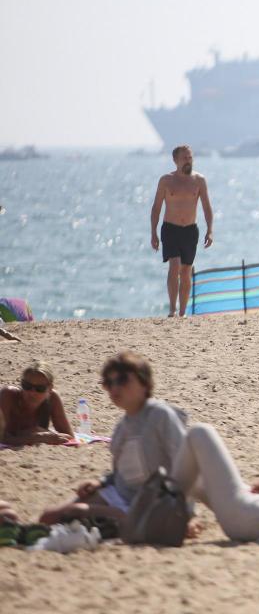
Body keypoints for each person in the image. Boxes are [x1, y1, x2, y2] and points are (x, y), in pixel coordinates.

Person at [40, 352, 190, 527]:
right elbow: (123, 474)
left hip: (150, 499)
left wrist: (187, 514)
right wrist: (101, 482)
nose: (114, 388)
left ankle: (127, 519)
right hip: (119, 493)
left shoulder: (160, 415)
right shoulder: (122, 427)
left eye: (122, 380)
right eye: (109, 383)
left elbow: (185, 467)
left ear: (145, 383)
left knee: (76, 513)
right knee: (48, 517)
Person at [150, 145, 214, 317]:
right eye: (185, 158)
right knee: (175, 264)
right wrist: (153, 232)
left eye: (190, 157)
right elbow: (156, 207)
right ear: (175, 160)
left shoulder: (199, 180)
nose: (188, 161)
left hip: (190, 231)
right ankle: (172, 309)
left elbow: (207, 207)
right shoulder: (166, 180)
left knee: (186, 270)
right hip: (170, 229)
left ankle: (183, 312)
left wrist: (210, 230)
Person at [0, 362, 74, 446]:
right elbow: (2, 438)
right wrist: (38, 436)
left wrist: (36, 433)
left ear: (50, 388)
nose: (32, 392)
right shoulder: (8, 395)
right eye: (27, 386)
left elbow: (69, 436)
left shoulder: (52, 398)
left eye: (40, 388)